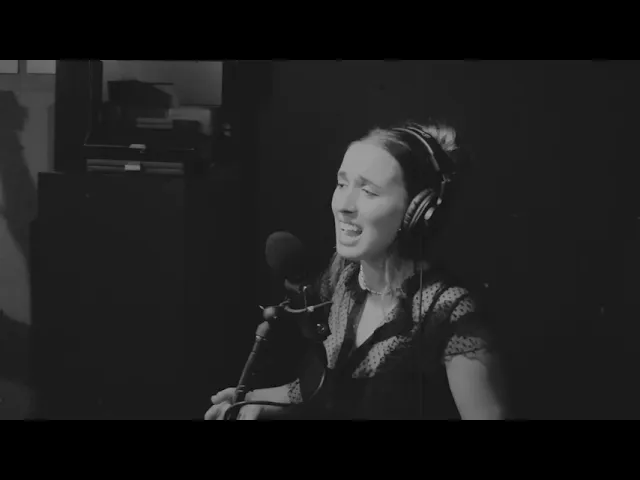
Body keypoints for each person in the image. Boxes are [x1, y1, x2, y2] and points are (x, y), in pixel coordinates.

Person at [205, 120, 508, 420]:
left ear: (417, 211)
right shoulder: (344, 281)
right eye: (342, 184)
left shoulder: (451, 313)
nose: (343, 205)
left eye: (369, 191)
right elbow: (323, 391)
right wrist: (251, 401)